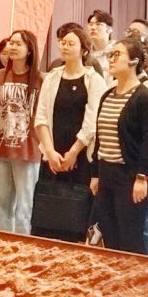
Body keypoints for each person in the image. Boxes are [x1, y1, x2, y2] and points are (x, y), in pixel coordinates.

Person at [87, 39, 148, 254]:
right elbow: (100, 137)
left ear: (134, 61)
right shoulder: (107, 95)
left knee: (130, 237)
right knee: (108, 235)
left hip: (130, 176)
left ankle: (132, 276)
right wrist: (95, 174)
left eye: (117, 54)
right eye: (111, 55)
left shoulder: (145, 98)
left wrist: (142, 177)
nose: (112, 59)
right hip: (106, 172)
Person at [34, 23, 96, 233]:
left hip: (80, 155)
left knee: (74, 216)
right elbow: (41, 117)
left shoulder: (93, 79)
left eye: (71, 44)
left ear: (83, 50)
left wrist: (73, 153)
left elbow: (91, 122)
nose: (65, 47)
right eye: (63, 43)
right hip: (52, 155)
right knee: (47, 214)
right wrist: (50, 152)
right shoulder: (52, 77)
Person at [0, 29, 43, 235]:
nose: (12, 47)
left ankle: (22, 247)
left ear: (30, 49)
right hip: (1, 149)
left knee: (24, 209)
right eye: (11, 42)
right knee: (2, 206)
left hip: (27, 150)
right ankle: (4, 246)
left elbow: (44, 116)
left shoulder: (40, 79)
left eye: (18, 44)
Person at [83, 11, 115, 83]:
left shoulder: (116, 51)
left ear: (109, 29)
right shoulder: (85, 53)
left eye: (98, 24)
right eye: (90, 24)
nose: (93, 28)